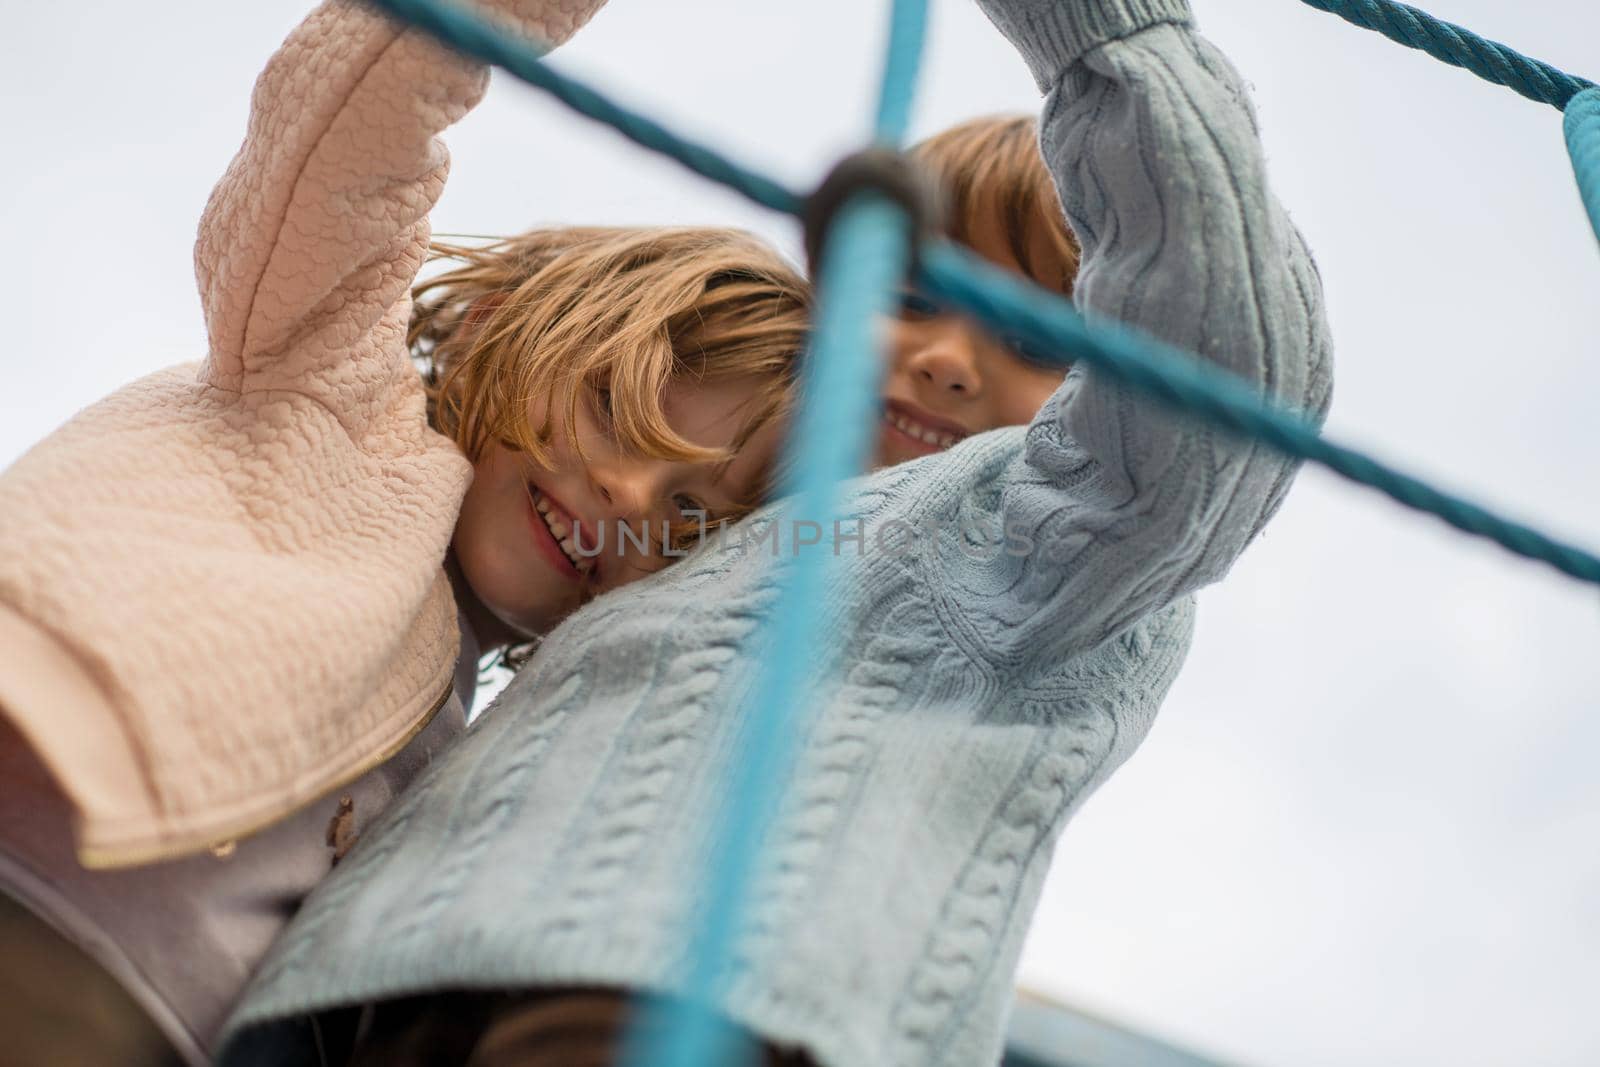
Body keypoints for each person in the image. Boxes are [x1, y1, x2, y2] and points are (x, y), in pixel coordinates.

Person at [220, 0, 1336, 1064]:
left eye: (1036, 335)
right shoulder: (699, 529)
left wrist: (1108, 37)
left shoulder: (1055, 541)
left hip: (668, 1003)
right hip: (356, 998)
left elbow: (1222, 368)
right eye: (909, 293)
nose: (950, 356)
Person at [0, 0, 810, 1061]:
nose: (626, 491)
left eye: (688, 511)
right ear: (491, 327)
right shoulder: (324, 385)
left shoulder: (482, 744)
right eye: (614, 408)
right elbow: (342, 139)